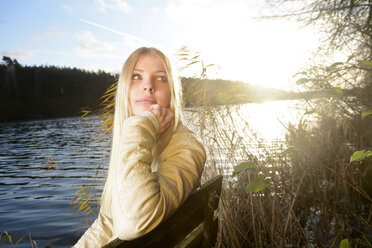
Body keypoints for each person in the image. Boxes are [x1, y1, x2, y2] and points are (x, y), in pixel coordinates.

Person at [73, 47, 206, 247]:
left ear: (172, 93)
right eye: (136, 76)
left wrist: (144, 123)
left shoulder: (187, 147)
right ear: (125, 90)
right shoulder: (138, 142)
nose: (148, 86)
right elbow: (107, 222)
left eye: (161, 78)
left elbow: (131, 222)